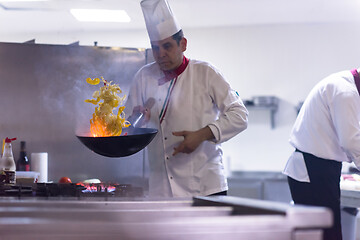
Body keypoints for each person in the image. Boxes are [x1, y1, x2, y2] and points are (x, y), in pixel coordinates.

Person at [125, 0, 248, 198]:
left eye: (167, 46)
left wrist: (202, 134)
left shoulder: (206, 73)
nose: (161, 54)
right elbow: (126, 126)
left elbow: (240, 116)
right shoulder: (143, 76)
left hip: (206, 188)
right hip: (160, 189)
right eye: (155, 48)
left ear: (183, 44)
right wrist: (136, 120)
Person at [283, 68, 360, 240]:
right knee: (325, 234)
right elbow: (350, 141)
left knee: (325, 232)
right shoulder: (346, 91)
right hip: (313, 170)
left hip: (318, 168)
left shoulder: (344, 85)